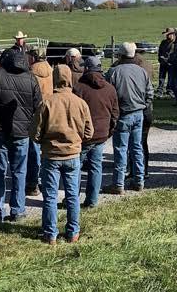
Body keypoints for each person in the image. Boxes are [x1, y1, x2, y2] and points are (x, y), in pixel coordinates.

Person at [0, 47, 41, 222]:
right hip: (22, 132)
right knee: (19, 171)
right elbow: (38, 105)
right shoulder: (30, 77)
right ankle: (18, 210)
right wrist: (30, 125)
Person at [34, 63, 93, 245]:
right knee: (73, 195)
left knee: (50, 196)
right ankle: (73, 233)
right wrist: (76, 140)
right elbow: (89, 132)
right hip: (72, 155)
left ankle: (50, 234)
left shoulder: (47, 102)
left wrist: (44, 141)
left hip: (51, 155)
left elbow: (35, 132)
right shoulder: (80, 103)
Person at [105, 42, 151, 194]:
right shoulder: (142, 71)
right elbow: (150, 93)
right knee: (137, 148)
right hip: (138, 113)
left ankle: (118, 184)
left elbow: (108, 95)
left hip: (122, 114)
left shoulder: (113, 72)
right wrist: (143, 105)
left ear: (120, 54)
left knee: (121, 149)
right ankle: (139, 181)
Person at [73, 55, 118, 208]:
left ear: (86, 68)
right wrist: (109, 131)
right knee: (96, 166)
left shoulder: (79, 88)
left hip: (83, 135)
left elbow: (74, 113)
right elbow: (115, 113)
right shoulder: (110, 89)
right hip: (101, 134)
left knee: (76, 167)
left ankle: (73, 199)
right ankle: (92, 200)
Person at [26, 48, 53, 197]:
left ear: (33, 58)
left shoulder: (31, 74)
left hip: (35, 113)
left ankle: (32, 183)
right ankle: (46, 179)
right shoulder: (51, 71)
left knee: (33, 149)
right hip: (50, 111)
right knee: (47, 148)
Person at [157, 28, 177, 94]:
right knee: (161, 77)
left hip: (171, 64)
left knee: (171, 77)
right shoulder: (163, 42)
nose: (167, 36)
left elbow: (175, 54)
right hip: (163, 63)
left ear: (172, 34)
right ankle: (160, 89)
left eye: (168, 34)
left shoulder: (175, 43)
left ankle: (169, 89)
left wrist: (167, 59)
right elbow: (160, 51)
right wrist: (160, 58)